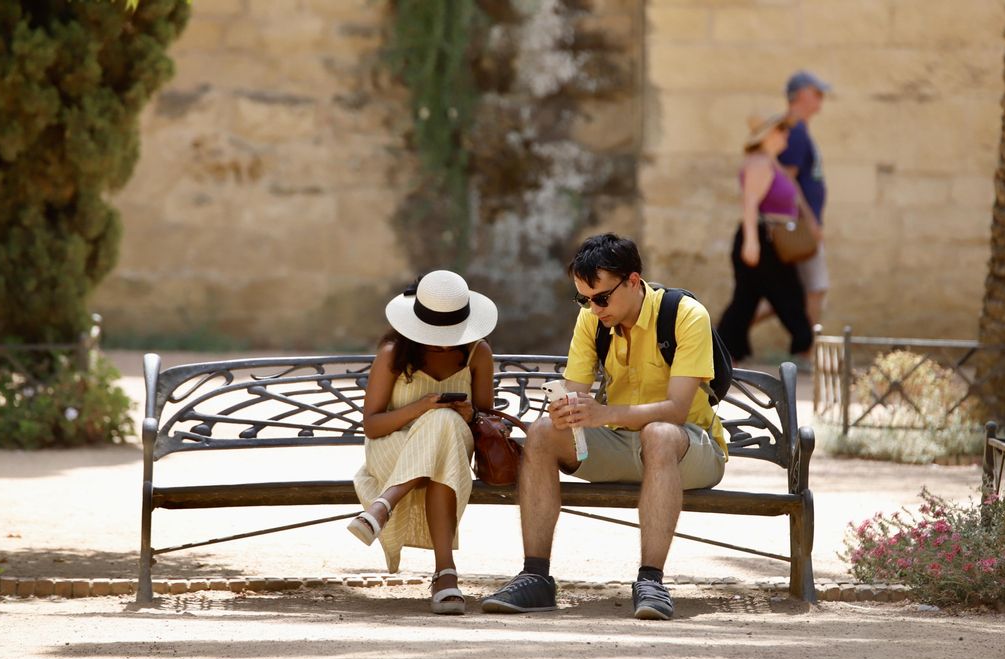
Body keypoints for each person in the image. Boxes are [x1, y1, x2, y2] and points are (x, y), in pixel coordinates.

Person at [479, 233, 728, 621]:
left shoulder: (685, 314)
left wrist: (602, 414)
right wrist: (564, 411)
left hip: (689, 450)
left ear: (632, 280)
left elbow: (677, 410)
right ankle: (535, 577)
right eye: (584, 299)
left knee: (659, 433)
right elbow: (576, 393)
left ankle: (651, 582)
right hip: (620, 443)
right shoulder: (592, 321)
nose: (593, 308)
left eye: (601, 298)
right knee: (543, 431)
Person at [349, 269, 497, 615]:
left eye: (450, 332)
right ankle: (445, 575)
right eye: (434, 333)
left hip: (453, 447)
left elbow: (486, 421)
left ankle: (383, 505)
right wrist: (421, 407)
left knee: (444, 424)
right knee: (439, 425)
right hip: (393, 450)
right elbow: (372, 426)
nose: (443, 342)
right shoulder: (393, 354)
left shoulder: (479, 354)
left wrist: (468, 413)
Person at [717, 112, 816, 364]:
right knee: (788, 294)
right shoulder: (760, 163)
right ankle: (803, 349)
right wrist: (752, 242)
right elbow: (749, 202)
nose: (786, 134)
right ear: (769, 135)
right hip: (764, 239)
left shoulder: (770, 161)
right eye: (781, 129)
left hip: (770, 239)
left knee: (747, 300)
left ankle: (725, 352)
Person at [779, 70, 831, 326]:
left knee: (790, 293)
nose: (821, 98)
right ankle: (807, 349)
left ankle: (728, 336)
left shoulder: (799, 128)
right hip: (801, 224)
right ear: (801, 95)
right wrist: (810, 221)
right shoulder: (796, 129)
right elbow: (788, 179)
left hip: (802, 222)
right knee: (816, 286)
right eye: (816, 92)